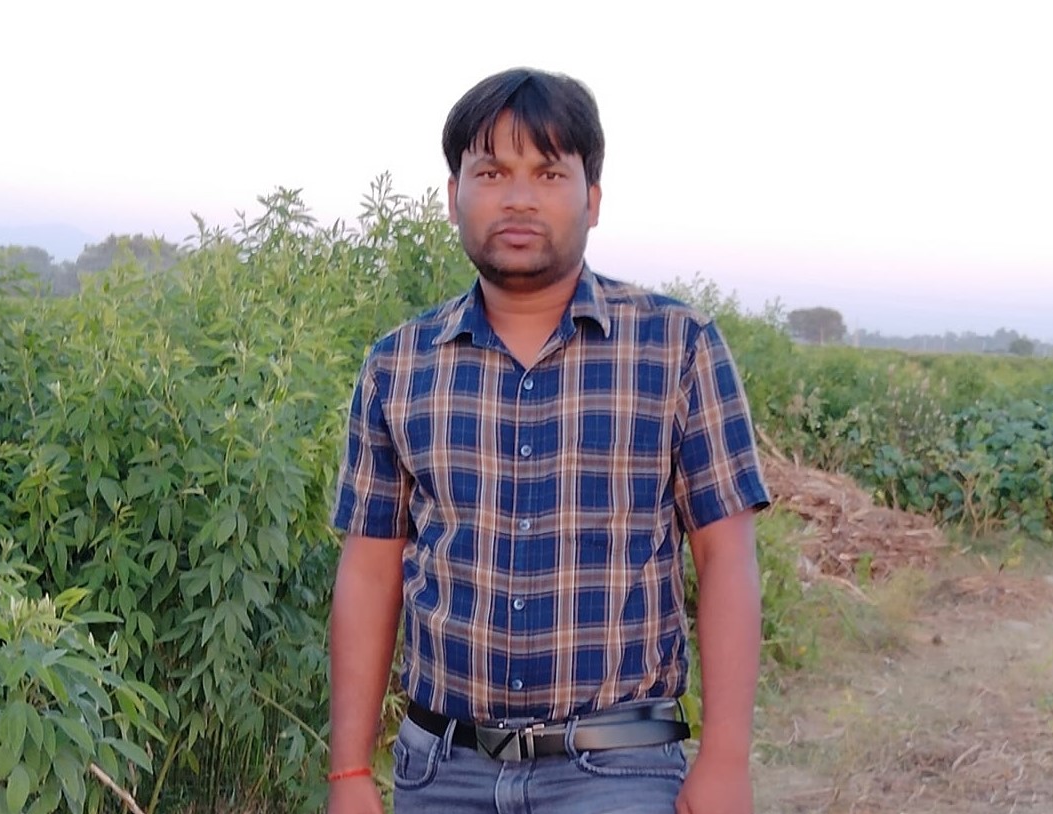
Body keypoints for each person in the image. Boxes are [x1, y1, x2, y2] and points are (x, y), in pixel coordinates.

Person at [326, 66, 770, 814]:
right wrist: (348, 772)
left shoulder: (677, 347)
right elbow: (370, 571)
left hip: (618, 770)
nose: (519, 198)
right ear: (454, 195)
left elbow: (725, 555)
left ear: (592, 198)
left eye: (549, 172)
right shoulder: (397, 366)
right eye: (491, 172)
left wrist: (725, 757)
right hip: (441, 772)